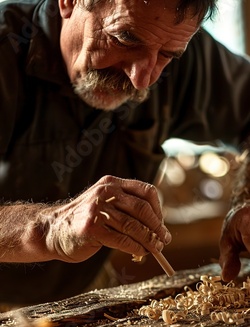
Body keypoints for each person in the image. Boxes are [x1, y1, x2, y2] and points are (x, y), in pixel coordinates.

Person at [0, 0, 249, 306]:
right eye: (125, 40)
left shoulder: (171, 39)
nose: (142, 80)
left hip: (77, 300)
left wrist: (247, 197)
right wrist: (48, 228)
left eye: (167, 57)